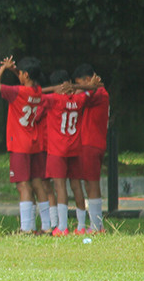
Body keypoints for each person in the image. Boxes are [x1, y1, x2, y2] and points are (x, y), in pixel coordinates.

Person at [0, 56, 52, 234]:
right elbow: (25, 78)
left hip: (19, 145)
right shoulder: (37, 91)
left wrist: (3, 68)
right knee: (37, 183)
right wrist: (14, 69)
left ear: (25, 75)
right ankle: (46, 226)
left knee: (23, 185)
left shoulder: (17, 92)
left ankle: (26, 228)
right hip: (34, 143)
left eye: (21, 73)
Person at [41, 69, 104, 235]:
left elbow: (33, 95)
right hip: (75, 149)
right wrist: (77, 87)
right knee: (76, 186)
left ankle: (62, 227)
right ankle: (81, 226)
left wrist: (53, 89)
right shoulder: (79, 99)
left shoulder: (53, 99)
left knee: (60, 186)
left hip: (57, 150)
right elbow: (92, 90)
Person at [74, 63, 110, 232]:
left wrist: (86, 88)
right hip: (92, 143)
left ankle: (96, 226)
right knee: (89, 183)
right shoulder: (98, 92)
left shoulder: (98, 93)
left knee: (92, 183)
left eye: (80, 83)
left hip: (91, 143)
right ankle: (96, 224)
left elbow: (77, 98)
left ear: (88, 79)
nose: (78, 87)